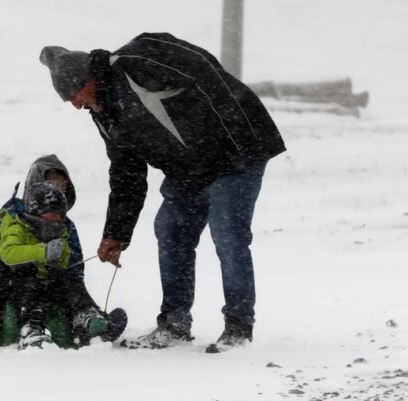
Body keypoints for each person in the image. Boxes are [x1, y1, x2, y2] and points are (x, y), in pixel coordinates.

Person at [39, 32, 286, 352]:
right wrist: (116, 233)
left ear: (88, 78)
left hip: (238, 150)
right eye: (69, 100)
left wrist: (227, 136)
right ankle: (174, 323)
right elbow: (126, 173)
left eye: (75, 94)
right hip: (191, 170)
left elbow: (206, 68)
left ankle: (238, 326)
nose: (76, 105)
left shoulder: (138, 61)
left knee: (228, 231)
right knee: (170, 228)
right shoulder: (103, 113)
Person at [0, 155, 126, 352]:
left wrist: (71, 284)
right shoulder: (12, 218)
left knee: (69, 287)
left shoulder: (64, 226)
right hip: (12, 282)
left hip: (50, 283)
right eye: (50, 183)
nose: (56, 190)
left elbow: (73, 264)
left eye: (61, 186)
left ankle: (88, 322)